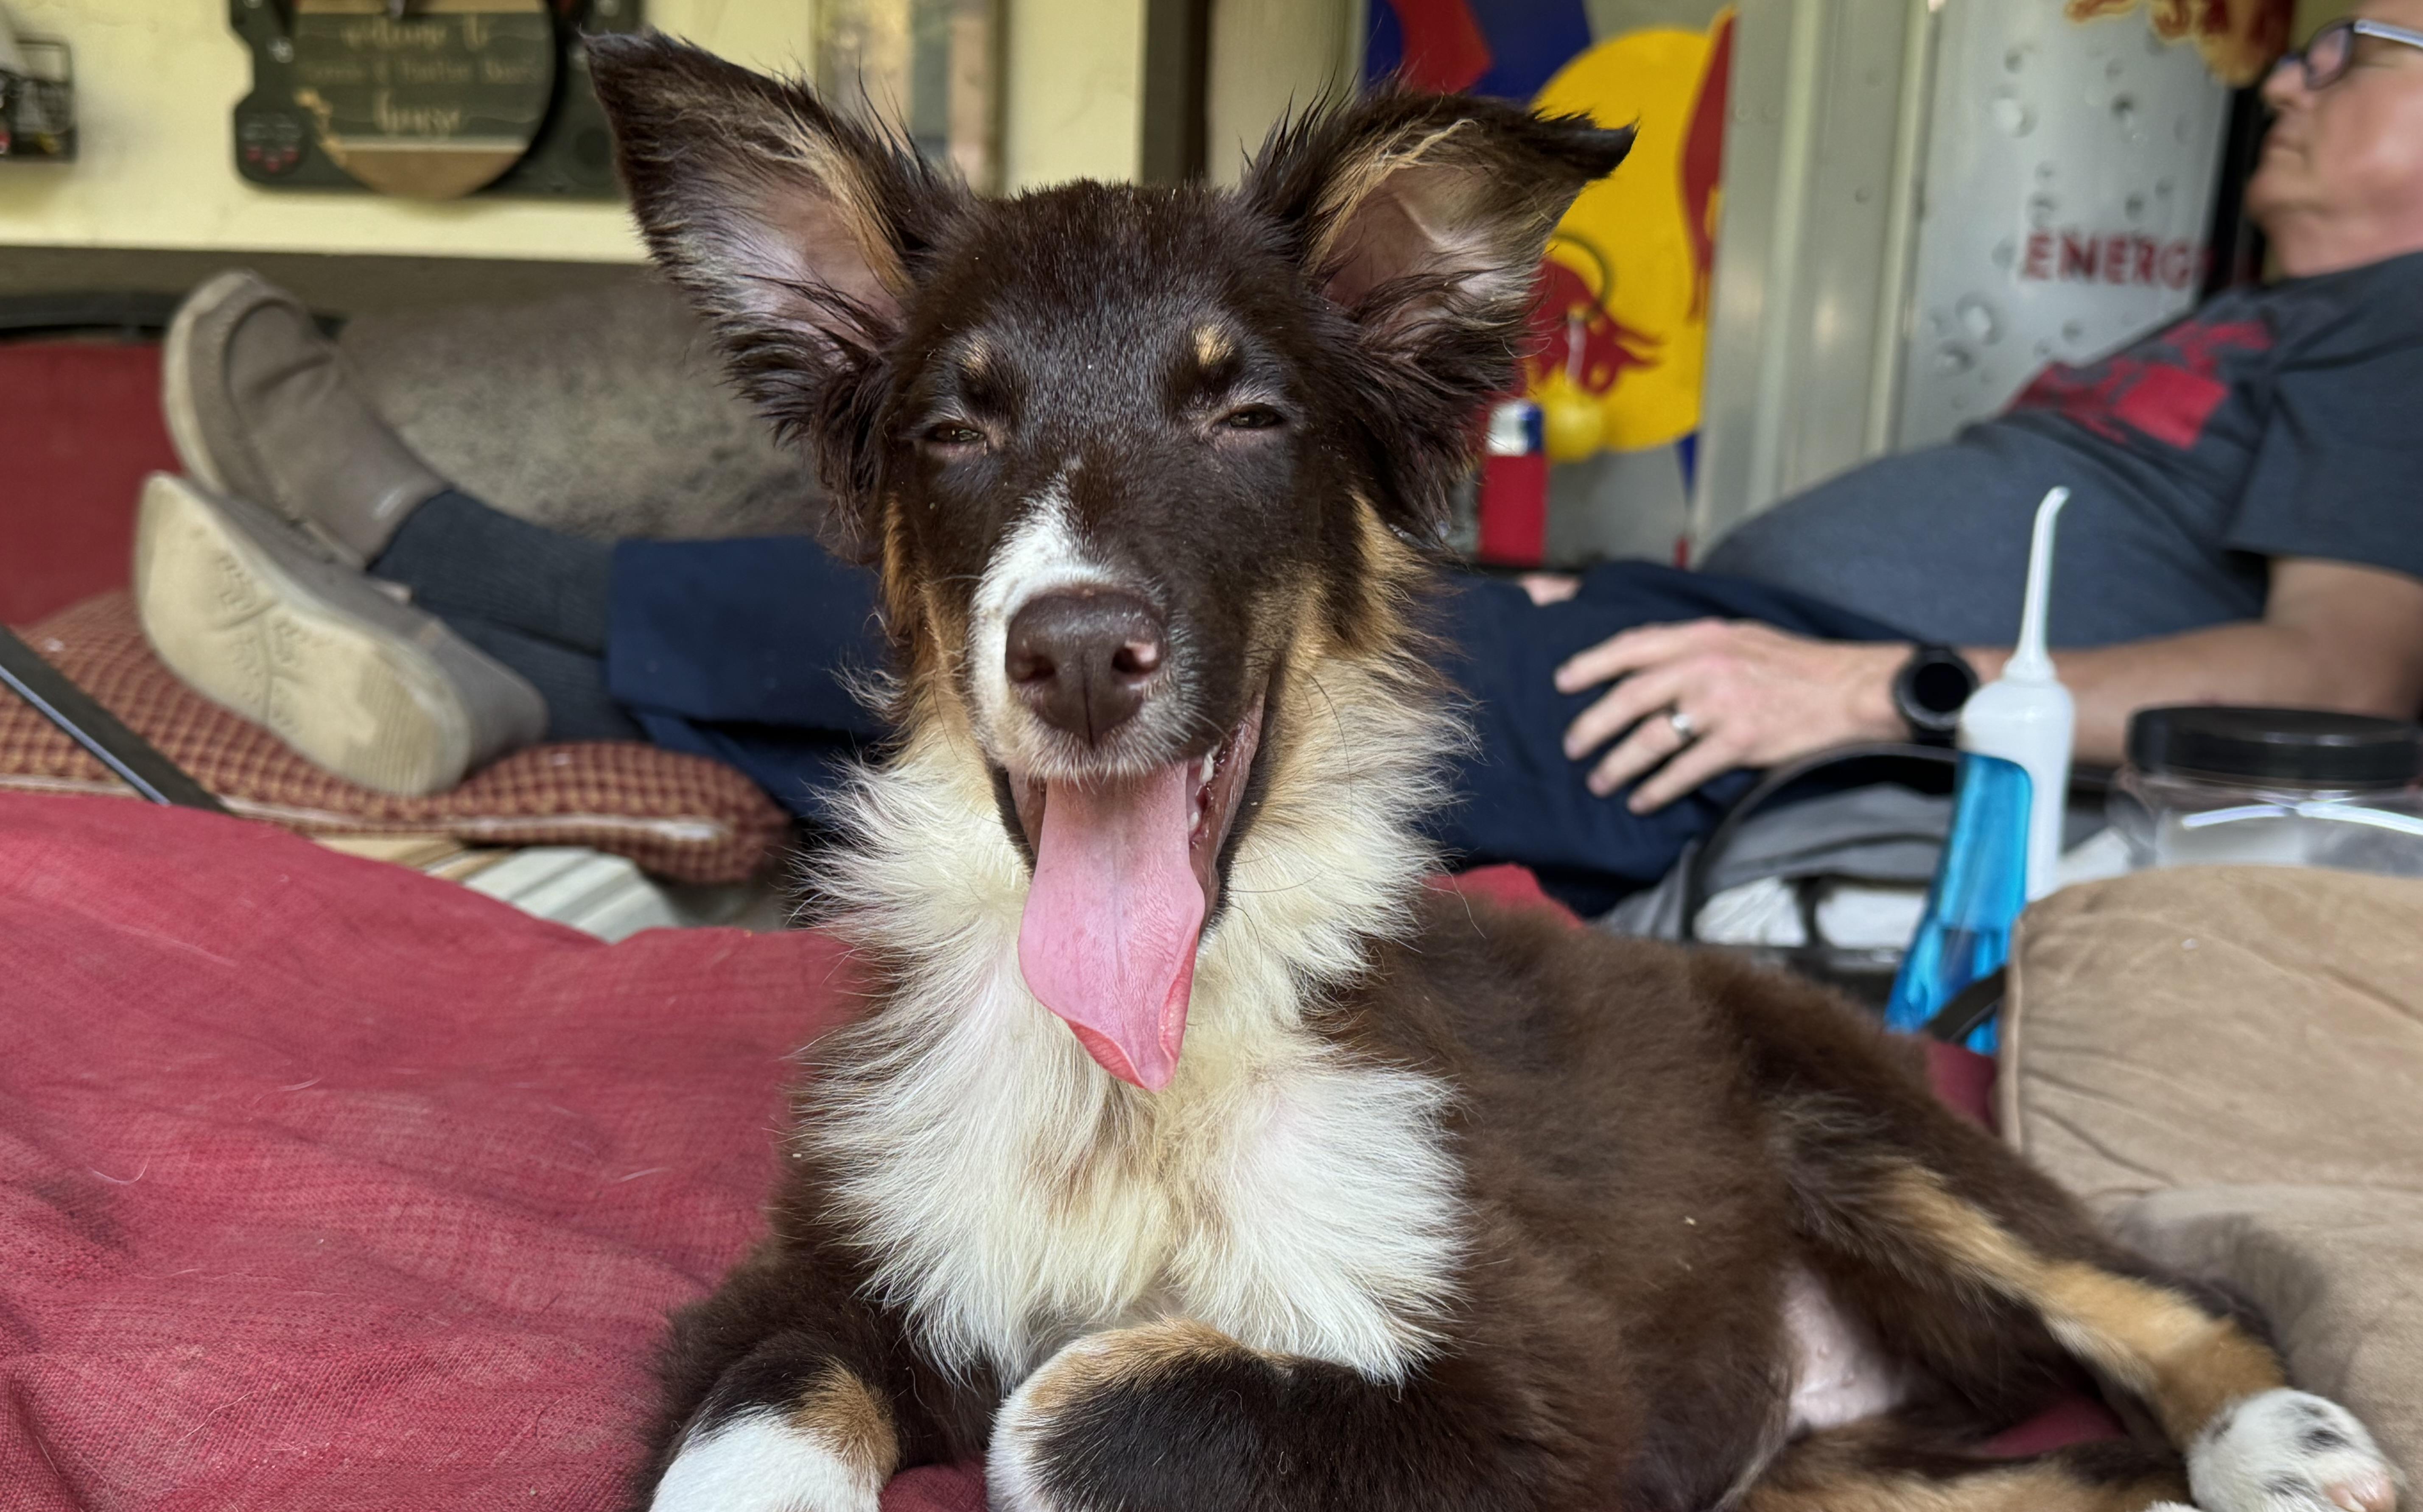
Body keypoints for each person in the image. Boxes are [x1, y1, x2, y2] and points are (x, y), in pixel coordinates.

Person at [136, 10, 2423, 908]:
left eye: (2359, 43)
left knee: (1103, 631)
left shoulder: (2408, 333)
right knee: (1052, 571)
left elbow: (2339, 691)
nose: (2294, 75)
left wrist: (1857, 696)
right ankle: (504, 676)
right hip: (1694, 628)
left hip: (1777, 721)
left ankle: (445, 569)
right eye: (2301, 44)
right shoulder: (2252, 317)